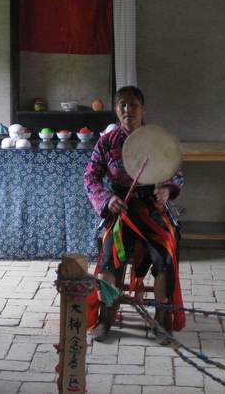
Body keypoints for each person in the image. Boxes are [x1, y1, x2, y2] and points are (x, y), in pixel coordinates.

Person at [83, 85, 185, 341]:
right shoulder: (107, 142)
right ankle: (106, 317)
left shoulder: (157, 140)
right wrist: (107, 199)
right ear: (116, 110)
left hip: (153, 210)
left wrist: (167, 191)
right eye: (122, 105)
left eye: (133, 105)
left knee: (165, 253)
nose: (128, 110)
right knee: (109, 253)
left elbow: (176, 174)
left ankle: (161, 320)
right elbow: (90, 177)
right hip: (121, 211)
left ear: (144, 109)